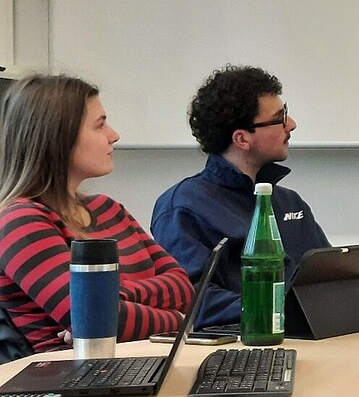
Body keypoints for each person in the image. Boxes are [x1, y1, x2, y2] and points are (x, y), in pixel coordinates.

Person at [0, 75, 195, 354]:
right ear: (59, 137)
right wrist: (177, 319)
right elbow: (97, 319)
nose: (113, 135)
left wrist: (111, 296)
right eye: (100, 125)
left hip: (140, 365)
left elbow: (185, 289)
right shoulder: (21, 223)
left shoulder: (109, 209)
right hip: (69, 374)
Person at [151, 65, 329, 328]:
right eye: (279, 118)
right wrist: (279, 308)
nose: (291, 124)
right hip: (245, 343)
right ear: (242, 139)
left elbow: (329, 277)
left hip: (311, 336)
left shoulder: (290, 203)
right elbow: (194, 301)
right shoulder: (184, 207)